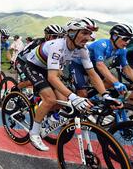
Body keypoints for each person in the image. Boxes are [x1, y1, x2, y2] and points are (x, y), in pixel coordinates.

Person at [23, 18, 120, 151]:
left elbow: (92, 74)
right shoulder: (58, 46)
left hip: (50, 67)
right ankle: (34, 133)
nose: (88, 37)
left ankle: (41, 110)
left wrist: (105, 95)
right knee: (50, 98)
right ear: (72, 33)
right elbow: (52, 77)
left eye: (90, 34)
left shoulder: (82, 50)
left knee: (62, 101)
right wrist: (74, 97)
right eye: (84, 33)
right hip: (34, 66)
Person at [69, 23, 133, 100]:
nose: (128, 42)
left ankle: (92, 98)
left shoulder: (122, 50)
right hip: (78, 65)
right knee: (82, 93)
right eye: (125, 39)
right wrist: (116, 83)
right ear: (114, 36)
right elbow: (100, 65)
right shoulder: (102, 44)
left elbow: (126, 68)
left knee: (110, 82)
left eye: (129, 39)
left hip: (92, 66)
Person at [14, 25, 66, 90]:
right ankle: (14, 90)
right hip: (21, 61)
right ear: (47, 36)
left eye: (60, 37)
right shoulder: (38, 43)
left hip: (35, 64)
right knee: (30, 81)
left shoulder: (56, 45)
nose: (57, 39)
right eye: (54, 36)